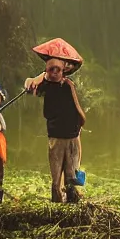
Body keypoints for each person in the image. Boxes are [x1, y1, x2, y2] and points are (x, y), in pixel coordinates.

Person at [24, 59, 86, 203]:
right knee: (56, 174)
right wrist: (34, 80)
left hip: (72, 135)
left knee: (72, 172)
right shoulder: (45, 85)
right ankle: (57, 201)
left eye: (57, 69)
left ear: (63, 70)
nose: (54, 73)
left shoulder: (68, 84)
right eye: (51, 70)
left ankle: (73, 200)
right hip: (56, 135)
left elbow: (76, 65)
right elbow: (30, 87)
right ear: (47, 71)